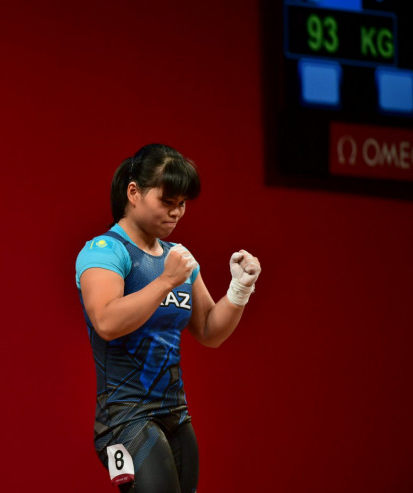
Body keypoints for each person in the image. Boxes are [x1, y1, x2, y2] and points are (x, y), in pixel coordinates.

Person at [75, 143, 261, 493]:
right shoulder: (105, 251)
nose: (176, 213)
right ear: (134, 193)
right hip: (124, 418)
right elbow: (107, 322)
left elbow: (209, 331)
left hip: (175, 414)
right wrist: (165, 282)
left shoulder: (178, 257)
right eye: (167, 201)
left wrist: (240, 289)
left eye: (182, 204)